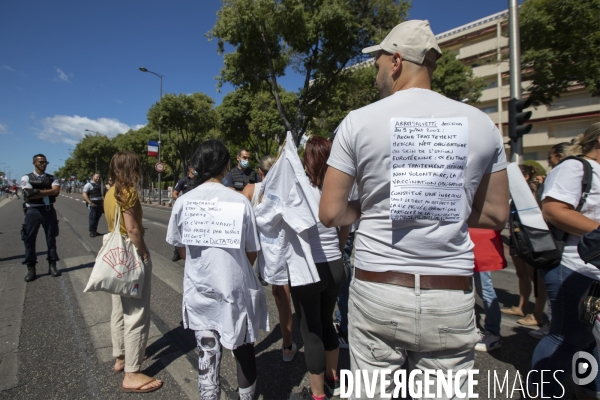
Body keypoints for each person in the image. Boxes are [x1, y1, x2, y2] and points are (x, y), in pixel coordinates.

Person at [319, 20, 509, 398]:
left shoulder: (358, 122)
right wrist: (444, 205)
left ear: (396, 61)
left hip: (378, 289)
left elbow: (329, 212)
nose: (376, 74)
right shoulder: (482, 124)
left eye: (377, 64)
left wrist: (372, 207)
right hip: (451, 294)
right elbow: (495, 215)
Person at [166, 140, 267, 400]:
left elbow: (181, 248)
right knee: (243, 349)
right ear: (225, 167)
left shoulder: (183, 202)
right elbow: (252, 251)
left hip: (200, 288)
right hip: (235, 289)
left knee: (207, 353)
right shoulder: (238, 202)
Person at [530, 123, 600, 398]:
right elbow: (553, 210)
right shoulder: (576, 168)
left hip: (592, 271)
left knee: (589, 341)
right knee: (565, 337)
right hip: (574, 267)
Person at [289, 136, 349, 400]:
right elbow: (345, 223)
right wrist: (339, 244)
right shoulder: (337, 187)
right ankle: (333, 378)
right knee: (327, 320)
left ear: (307, 159)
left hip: (307, 268)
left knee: (310, 330)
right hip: (335, 265)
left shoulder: (297, 188)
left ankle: (316, 394)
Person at [104, 151, 162, 393]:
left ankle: (120, 356)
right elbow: (133, 228)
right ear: (132, 169)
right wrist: (145, 252)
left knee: (119, 308)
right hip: (130, 253)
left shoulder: (110, 192)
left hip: (114, 255)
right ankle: (133, 371)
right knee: (137, 312)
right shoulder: (127, 192)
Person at [243, 155, 299, 362]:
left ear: (260, 172)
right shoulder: (291, 189)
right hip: (289, 251)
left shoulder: (250, 191)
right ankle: (287, 347)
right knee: (287, 299)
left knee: (254, 298)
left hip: (261, 253)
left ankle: (243, 344)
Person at [502, 164, 548, 328]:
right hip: (516, 237)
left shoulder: (531, 191)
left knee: (535, 277)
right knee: (521, 274)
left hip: (529, 239)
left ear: (526, 177)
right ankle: (522, 307)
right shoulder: (514, 192)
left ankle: (538, 314)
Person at [20, 154, 62, 282]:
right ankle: (31, 268)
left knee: (51, 239)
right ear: (34, 163)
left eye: (45, 162)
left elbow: (56, 191)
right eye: (41, 162)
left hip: (48, 210)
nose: (43, 164)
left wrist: (36, 192)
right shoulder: (27, 177)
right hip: (33, 210)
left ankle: (52, 265)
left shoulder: (52, 177)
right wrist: (45, 191)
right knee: (29, 239)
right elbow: (28, 195)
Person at [470, 228, 506, 352]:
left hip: (478, 244)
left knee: (485, 289)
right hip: (470, 243)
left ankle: (493, 333)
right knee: (472, 289)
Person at [170, 166, 198, 261]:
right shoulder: (183, 181)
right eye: (195, 168)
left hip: (197, 211)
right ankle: (177, 252)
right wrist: (180, 202)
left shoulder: (200, 181)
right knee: (181, 231)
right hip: (185, 209)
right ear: (190, 169)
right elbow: (174, 194)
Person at [82, 173, 104, 238]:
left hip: (99, 203)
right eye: (97, 177)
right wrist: (90, 202)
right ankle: (91, 231)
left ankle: (95, 231)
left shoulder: (99, 185)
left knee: (97, 217)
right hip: (93, 203)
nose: (98, 178)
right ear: (93, 177)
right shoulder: (89, 185)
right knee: (92, 217)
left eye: (99, 177)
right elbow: (84, 194)